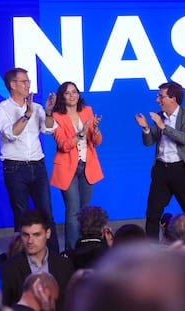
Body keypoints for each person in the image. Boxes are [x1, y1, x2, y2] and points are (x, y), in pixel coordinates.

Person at [0, 67, 59, 253]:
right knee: (21, 215)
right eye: (24, 81)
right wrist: (27, 114)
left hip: (37, 166)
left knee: (47, 214)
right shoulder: (1, 110)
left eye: (28, 81)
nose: (28, 85)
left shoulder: (37, 107)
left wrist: (49, 112)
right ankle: (20, 258)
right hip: (15, 168)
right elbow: (11, 133)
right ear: (12, 85)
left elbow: (49, 129)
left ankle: (54, 257)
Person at [134, 81, 185, 242]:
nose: (158, 99)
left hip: (182, 170)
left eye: (161, 96)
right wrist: (145, 128)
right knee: (152, 213)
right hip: (161, 169)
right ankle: (152, 253)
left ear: (173, 98)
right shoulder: (160, 116)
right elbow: (149, 142)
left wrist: (162, 126)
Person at [49, 81, 103, 252]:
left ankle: (85, 248)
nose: (72, 95)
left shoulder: (87, 111)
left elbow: (96, 142)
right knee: (73, 210)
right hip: (67, 168)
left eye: (74, 92)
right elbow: (63, 145)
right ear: (62, 97)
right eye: (67, 93)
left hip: (87, 165)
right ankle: (71, 252)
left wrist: (94, 130)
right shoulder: (56, 116)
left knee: (85, 210)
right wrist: (79, 134)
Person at [0, 208, 74, 311]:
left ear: (48, 233)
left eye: (36, 235)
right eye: (26, 235)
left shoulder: (64, 266)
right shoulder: (8, 269)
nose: (30, 241)